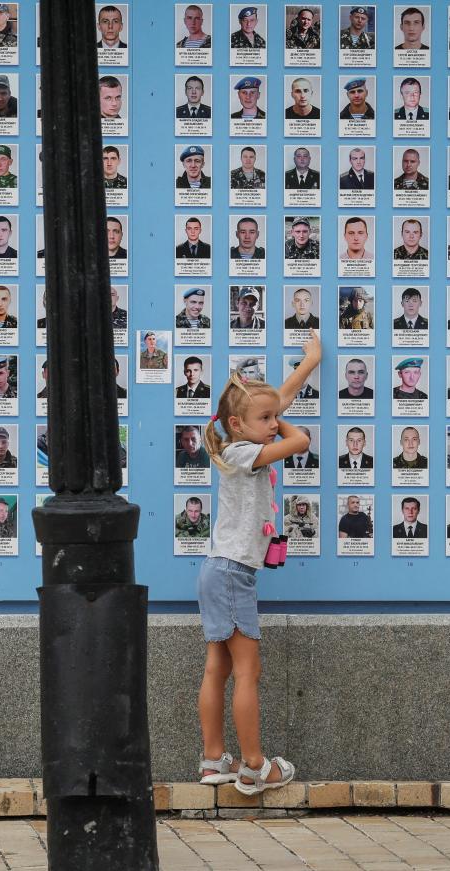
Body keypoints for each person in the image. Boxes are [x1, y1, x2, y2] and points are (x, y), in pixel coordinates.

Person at [196, 334, 319, 796]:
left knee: (218, 669)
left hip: (220, 570)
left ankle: (213, 761)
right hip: (231, 574)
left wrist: (309, 362)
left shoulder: (237, 444)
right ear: (236, 423)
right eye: (265, 419)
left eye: (273, 417)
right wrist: (280, 420)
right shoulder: (243, 453)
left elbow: (275, 401)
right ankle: (254, 767)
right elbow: (300, 439)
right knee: (248, 672)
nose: (274, 423)